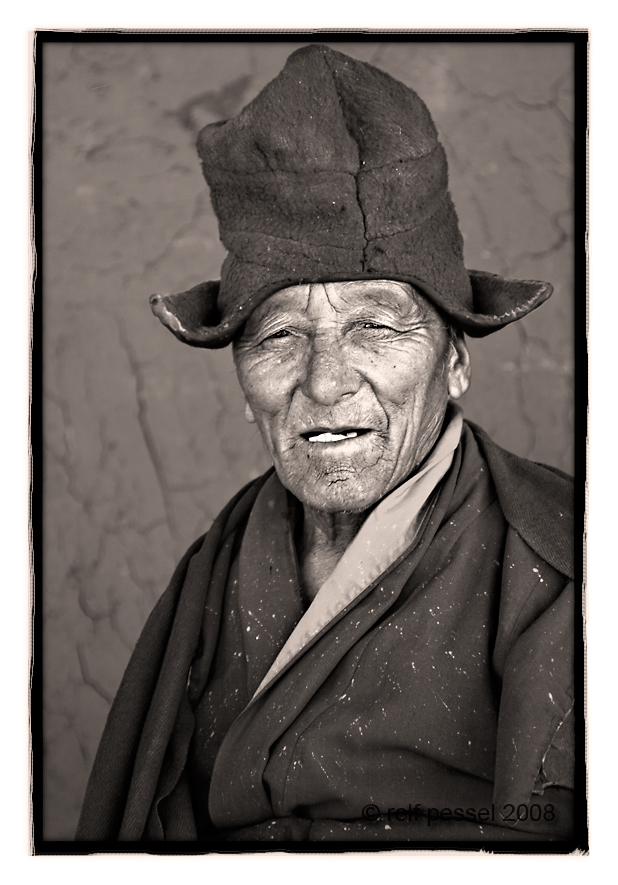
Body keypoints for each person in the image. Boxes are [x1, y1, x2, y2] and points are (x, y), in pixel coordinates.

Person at [76, 44, 575, 844]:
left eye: (376, 324)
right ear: (243, 385)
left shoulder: (562, 568)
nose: (324, 383)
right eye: (278, 335)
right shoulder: (221, 559)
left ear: (454, 360)